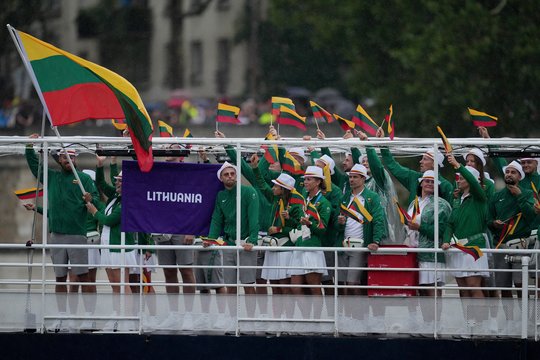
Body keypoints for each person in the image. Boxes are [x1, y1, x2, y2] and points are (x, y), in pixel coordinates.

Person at [25, 134, 99, 332]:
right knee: (59, 278)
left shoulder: (83, 179)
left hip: (77, 234)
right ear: (60, 160)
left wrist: (90, 199)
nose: (69, 160)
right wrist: (29, 146)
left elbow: (97, 201)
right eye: (65, 158)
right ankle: (63, 317)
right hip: (56, 234)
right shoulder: (53, 177)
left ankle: (90, 317)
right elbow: (35, 167)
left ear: (75, 159)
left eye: (72, 157)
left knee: (83, 276)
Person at [86, 164, 138, 332]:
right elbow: (100, 182)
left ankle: (128, 319)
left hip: (120, 248)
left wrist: (93, 211)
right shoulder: (115, 198)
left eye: (120, 181)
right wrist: (100, 164)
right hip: (109, 246)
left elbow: (108, 220)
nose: (117, 183)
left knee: (123, 284)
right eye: (117, 180)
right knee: (115, 285)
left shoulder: (128, 202)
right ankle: (117, 314)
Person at [207, 161, 260, 325]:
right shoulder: (221, 196)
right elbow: (217, 219)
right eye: (226, 174)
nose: (230, 176)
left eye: (232, 173)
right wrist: (211, 238)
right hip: (229, 244)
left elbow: (254, 217)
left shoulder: (248, 192)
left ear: (236, 175)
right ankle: (231, 319)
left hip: (246, 245)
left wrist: (252, 239)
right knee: (230, 285)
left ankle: (250, 320)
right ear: (221, 178)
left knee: (248, 284)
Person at [336, 163, 387, 332]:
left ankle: (360, 318)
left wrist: (376, 241)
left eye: (355, 177)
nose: (351, 179)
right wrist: (340, 222)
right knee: (343, 284)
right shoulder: (345, 198)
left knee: (352, 282)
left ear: (364, 179)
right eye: (350, 177)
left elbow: (378, 220)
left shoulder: (371, 197)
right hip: (344, 245)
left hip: (360, 246)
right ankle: (349, 318)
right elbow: (339, 223)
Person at [442, 155, 490, 330]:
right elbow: (450, 223)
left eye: (461, 178)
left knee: (473, 286)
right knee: (463, 288)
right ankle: (469, 324)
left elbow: (473, 181)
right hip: (458, 248)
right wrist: (446, 240)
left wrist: (458, 165)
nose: (459, 180)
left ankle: (482, 326)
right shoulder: (457, 199)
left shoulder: (479, 196)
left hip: (474, 247)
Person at [152, 144, 197, 331]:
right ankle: (174, 314)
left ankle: (188, 314)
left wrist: (192, 229)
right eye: (167, 149)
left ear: (181, 155)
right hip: (163, 228)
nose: (168, 152)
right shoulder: (160, 172)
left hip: (183, 228)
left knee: (186, 271)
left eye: (173, 150)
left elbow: (197, 201)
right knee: (168, 272)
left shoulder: (189, 174)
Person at [487, 161, 536, 331]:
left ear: (519, 176)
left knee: (520, 283)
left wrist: (520, 196)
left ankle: (525, 319)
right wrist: (494, 223)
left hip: (520, 245)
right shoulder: (497, 195)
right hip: (500, 245)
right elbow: (488, 219)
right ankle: (509, 321)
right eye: (507, 171)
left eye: (513, 172)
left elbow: (532, 217)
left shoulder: (528, 193)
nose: (508, 174)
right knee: (503, 286)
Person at [250, 166, 303, 322]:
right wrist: (255, 169)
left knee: (285, 286)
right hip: (273, 246)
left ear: (284, 189)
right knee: (274, 285)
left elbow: (300, 228)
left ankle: (289, 320)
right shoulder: (276, 199)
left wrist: (280, 228)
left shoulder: (296, 202)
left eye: (276, 186)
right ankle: (277, 319)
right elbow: (262, 186)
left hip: (286, 248)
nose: (273, 188)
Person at [403, 170, 452, 330]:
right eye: (426, 181)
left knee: (432, 290)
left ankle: (437, 325)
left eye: (433, 182)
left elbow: (441, 232)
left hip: (431, 253)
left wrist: (420, 227)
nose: (429, 184)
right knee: (422, 290)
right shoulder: (413, 202)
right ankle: (426, 324)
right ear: (421, 183)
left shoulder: (442, 204)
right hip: (414, 252)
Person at [381, 144, 454, 204]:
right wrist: (383, 144)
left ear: (434, 164)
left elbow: (449, 213)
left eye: (425, 159)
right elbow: (394, 167)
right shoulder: (414, 178)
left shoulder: (446, 186)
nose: (420, 161)